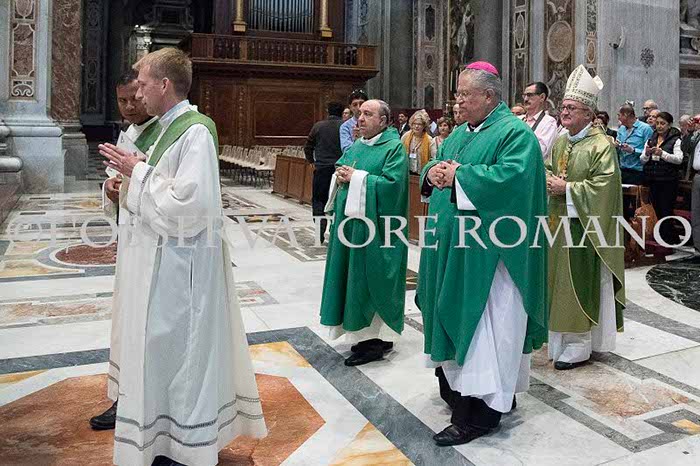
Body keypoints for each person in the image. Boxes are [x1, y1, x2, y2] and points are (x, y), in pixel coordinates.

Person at [98, 47, 266, 466]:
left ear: (164, 84)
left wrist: (137, 172)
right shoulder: (163, 129)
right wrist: (128, 180)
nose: (138, 93)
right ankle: (163, 439)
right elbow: (158, 187)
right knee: (161, 355)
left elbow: (191, 205)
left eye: (143, 84)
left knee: (183, 358)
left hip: (182, 268)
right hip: (157, 262)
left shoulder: (195, 132)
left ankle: (188, 446)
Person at [417, 61, 547, 446]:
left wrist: (461, 176)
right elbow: (440, 165)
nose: (457, 101)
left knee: (486, 332)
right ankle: (463, 392)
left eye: (464, 95)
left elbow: (514, 182)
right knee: (456, 319)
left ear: (489, 96)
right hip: (453, 248)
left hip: (490, 258)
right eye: (457, 94)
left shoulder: (515, 134)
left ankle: (478, 415)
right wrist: (432, 173)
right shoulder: (460, 133)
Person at [89, 69, 161, 432]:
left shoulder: (166, 132)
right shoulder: (128, 133)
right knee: (126, 323)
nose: (130, 106)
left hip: (155, 244)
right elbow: (113, 177)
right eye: (122, 100)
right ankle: (125, 396)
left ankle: (143, 403)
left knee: (145, 326)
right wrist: (111, 188)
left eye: (135, 98)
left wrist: (135, 184)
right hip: (131, 242)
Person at [546, 65, 625, 370]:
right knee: (557, 281)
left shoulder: (601, 145)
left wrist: (567, 189)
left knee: (576, 283)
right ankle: (560, 338)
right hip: (557, 224)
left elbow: (605, 187)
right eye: (563, 106)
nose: (564, 112)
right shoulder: (561, 141)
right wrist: (547, 179)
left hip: (586, 228)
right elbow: (550, 168)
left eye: (571, 108)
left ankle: (579, 343)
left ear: (589, 114)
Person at [319, 99, 409, 367]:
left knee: (368, 279)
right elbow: (342, 168)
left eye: (368, 114)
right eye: (360, 114)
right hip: (351, 227)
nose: (360, 118)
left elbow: (393, 187)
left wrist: (356, 177)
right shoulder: (358, 145)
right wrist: (341, 175)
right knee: (351, 278)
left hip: (376, 231)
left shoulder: (393, 148)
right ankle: (364, 335)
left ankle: (373, 341)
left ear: (383, 121)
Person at [641, 111, 684, 246]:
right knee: (656, 210)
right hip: (653, 179)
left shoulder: (675, 140)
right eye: (658, 123)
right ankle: (660, 238)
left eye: (663, 123)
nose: (659, 126)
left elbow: (679, 159)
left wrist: (663, 154)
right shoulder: (651, 138)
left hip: (668, 181)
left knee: (666, 210)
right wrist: (647, 154)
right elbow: (642, 160)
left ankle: (669, 240)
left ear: (669, 125)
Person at [304, 101, 344, 244]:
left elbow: (308, 147)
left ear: (328, 111)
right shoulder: (345, 126)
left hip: (321, 168)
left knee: (318, 200)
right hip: (340, 169)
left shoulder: (318, 126)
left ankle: (319, 231)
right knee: (339, 200)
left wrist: (312, 161)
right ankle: (336, 233)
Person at [616, 104, 653, 186]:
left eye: (619, 115)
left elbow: (650, 151)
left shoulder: (645, 129)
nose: (618, 118)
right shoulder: (621, 129)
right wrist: (616, 146)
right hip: (622, 170)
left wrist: (633, 150)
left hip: (638, 171)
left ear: (626, 115)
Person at [521, 82, 558, 160]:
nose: (525, 99)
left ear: (542, 97)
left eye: (530, 95)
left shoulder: (548, 123)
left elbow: (540, 151)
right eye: (524, 95)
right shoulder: (518, 119)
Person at [401, 110, 437, 174]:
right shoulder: (405, 136)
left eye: (419, 124)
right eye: (414, 123)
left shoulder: (429, 140)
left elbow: (434, 158)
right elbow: (400, 153)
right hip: (407, 172)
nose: (416, 126)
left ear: (424, 126)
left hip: (422, 173)